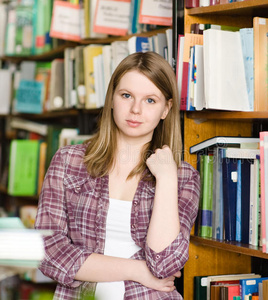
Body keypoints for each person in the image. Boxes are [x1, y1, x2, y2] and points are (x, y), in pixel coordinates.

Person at [35, 51, 201, 300]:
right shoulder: (68, 161)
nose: (136, 109)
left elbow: (164, 264)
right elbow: (47, 252)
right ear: (112, 98)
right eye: (127, 95)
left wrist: (166, 178)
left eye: (150, 101)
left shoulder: (184, 177)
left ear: (166, 109)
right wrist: (137, 270)